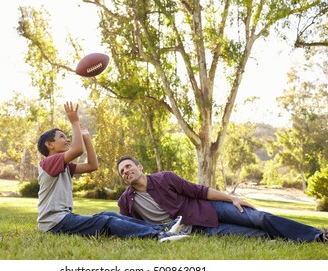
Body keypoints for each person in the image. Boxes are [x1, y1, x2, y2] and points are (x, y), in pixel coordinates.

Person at [36, 101, 189, 242]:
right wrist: (74, 121)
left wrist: (87, 138)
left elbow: (92, 166)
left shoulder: (64, 166)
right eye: (62, 137)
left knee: (108, 215)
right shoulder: (48, 162)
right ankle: (157, 235)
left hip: (63, 218)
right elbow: (77, 149)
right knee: (106, 222)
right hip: (54, 223)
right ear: (49, 145)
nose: (67, 139)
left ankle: (163, 228)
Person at [116, 155, 328, 243]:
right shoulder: (126, 201)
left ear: (139, 167)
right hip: (197, 229)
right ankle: (295, 236)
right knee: (257, 235)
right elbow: (128, 225)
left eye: (128, 166)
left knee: (259, 218)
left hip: (208, 208)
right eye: (122, 171)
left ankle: (318, 235)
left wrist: (231, 198)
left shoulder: (165, 178)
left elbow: (199, 191)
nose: (126, 171)